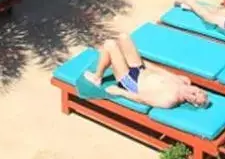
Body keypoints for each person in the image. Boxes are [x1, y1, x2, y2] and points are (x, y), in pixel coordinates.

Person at [83, 35, 211, 109]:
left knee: (110, 44)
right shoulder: (184, 81)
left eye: (194, 97)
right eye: (198, 91)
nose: (194, 92)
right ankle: (114, 62)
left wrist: (120, 92)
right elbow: (162, 72)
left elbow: (142, 99)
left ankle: (97, 77)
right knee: (124, 37)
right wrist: (144, 64)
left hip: (131, 82)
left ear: (192, 102)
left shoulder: (169, 100)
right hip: (141, 69)